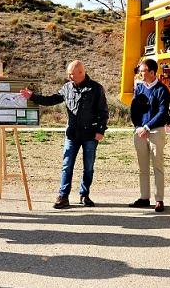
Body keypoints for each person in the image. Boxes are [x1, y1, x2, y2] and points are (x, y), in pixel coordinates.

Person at [20, 60, 108, 209]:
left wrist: (100, 130)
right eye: (68, 74)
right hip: (72, 134)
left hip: (90, 135)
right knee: (67, 165)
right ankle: (63, 196)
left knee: (88, 167)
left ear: (81, 73)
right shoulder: (67, 88)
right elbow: (52, 99)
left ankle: (84, 194)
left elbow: (103, 112)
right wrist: (33, 96)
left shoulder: (96, 88)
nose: (69, 77)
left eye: (71, 74)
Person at [128, 59, 170, 212]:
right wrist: (139, 127)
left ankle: (159, 199)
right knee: (142, 166)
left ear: (152, 72)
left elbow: (162, 112)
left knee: (157, 166)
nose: (141, 74)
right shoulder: (139, 88)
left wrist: (147, 126)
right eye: (140, 71)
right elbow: (134, 109)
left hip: (155, 131)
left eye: (143, 71)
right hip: (140, 132)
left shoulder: (162, 90)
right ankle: (144, 197)